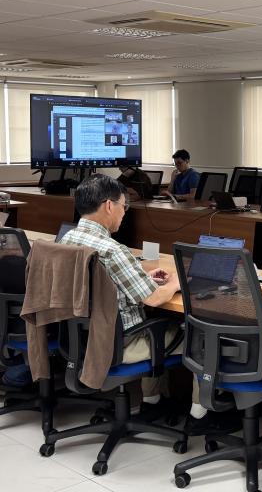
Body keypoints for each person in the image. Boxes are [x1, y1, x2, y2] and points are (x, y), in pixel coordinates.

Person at [59, 174, 234, 435]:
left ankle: (153, 402)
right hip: (120, 343)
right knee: (197, 335)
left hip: (84, 337)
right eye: (123, 206)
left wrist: (141, 275)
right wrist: (176, 283)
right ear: (109, 206)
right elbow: (152, 299)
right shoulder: (112, 250)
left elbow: (102, 284)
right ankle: (200, 414)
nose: (123, 213)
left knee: (155, 322)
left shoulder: (66, 240)